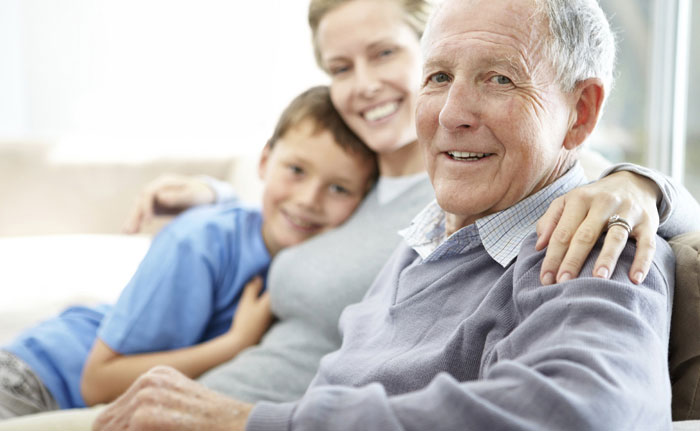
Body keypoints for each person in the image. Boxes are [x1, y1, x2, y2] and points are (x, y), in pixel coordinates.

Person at [1, 0, 698, 429]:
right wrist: (220, 199)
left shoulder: (587, 241)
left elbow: (583, 415)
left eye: (498, 77)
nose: (453, 113)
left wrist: (643, 186)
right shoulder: (417, 210)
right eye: (440, 76)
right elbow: (293, 209)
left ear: (580, 113)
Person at [0, 85, 377, 418]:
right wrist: (234, 345)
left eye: (339, 189)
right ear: (264, 162)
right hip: (33, 378)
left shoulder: (317, 263)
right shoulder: (199, 241)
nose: (308, 199)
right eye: (296, 170)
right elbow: (97, 381)